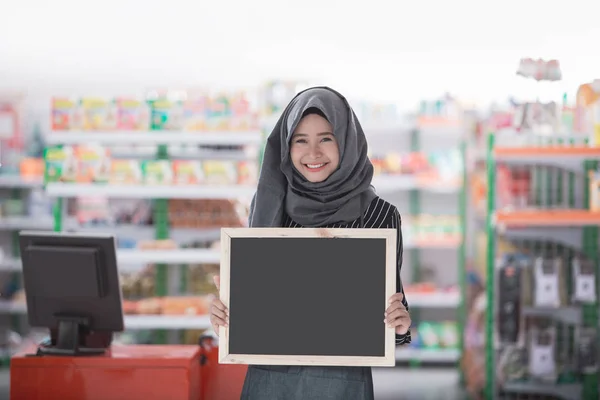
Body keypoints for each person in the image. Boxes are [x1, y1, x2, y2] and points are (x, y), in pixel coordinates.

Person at [210, 86, 411, 400]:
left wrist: (398, 325)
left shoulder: (380, 214)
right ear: (286, 147)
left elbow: (389, 313)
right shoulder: (267, 204)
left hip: (342, 382)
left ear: (346, 140)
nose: (313, 153)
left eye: (326, 139)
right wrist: (227, 316)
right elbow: (254, 307)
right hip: (269, 379)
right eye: (300, 140)